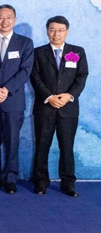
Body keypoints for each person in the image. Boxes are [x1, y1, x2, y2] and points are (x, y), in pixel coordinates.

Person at [30, 16, 88, 197]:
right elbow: (34, 77)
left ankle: (68, 183)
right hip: (45, 107)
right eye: (52, 30)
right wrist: (49, 97)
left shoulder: (77, 52)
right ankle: (41, 182)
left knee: (67, 147)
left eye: (61, 30)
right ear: (47, 31)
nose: (56, 34)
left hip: (68, 108)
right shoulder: (38, 53)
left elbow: (81, 76)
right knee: (42, 146)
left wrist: (69, 96)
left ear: (67, 32)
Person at [0, 4, 34, 194]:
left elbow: (25, 71)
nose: (5, 21)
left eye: (9, 17)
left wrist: (5, 90)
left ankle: (11, 178)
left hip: (13, 101)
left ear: (15, 20)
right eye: (1, 17)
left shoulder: (25, 43)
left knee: (12, 142)